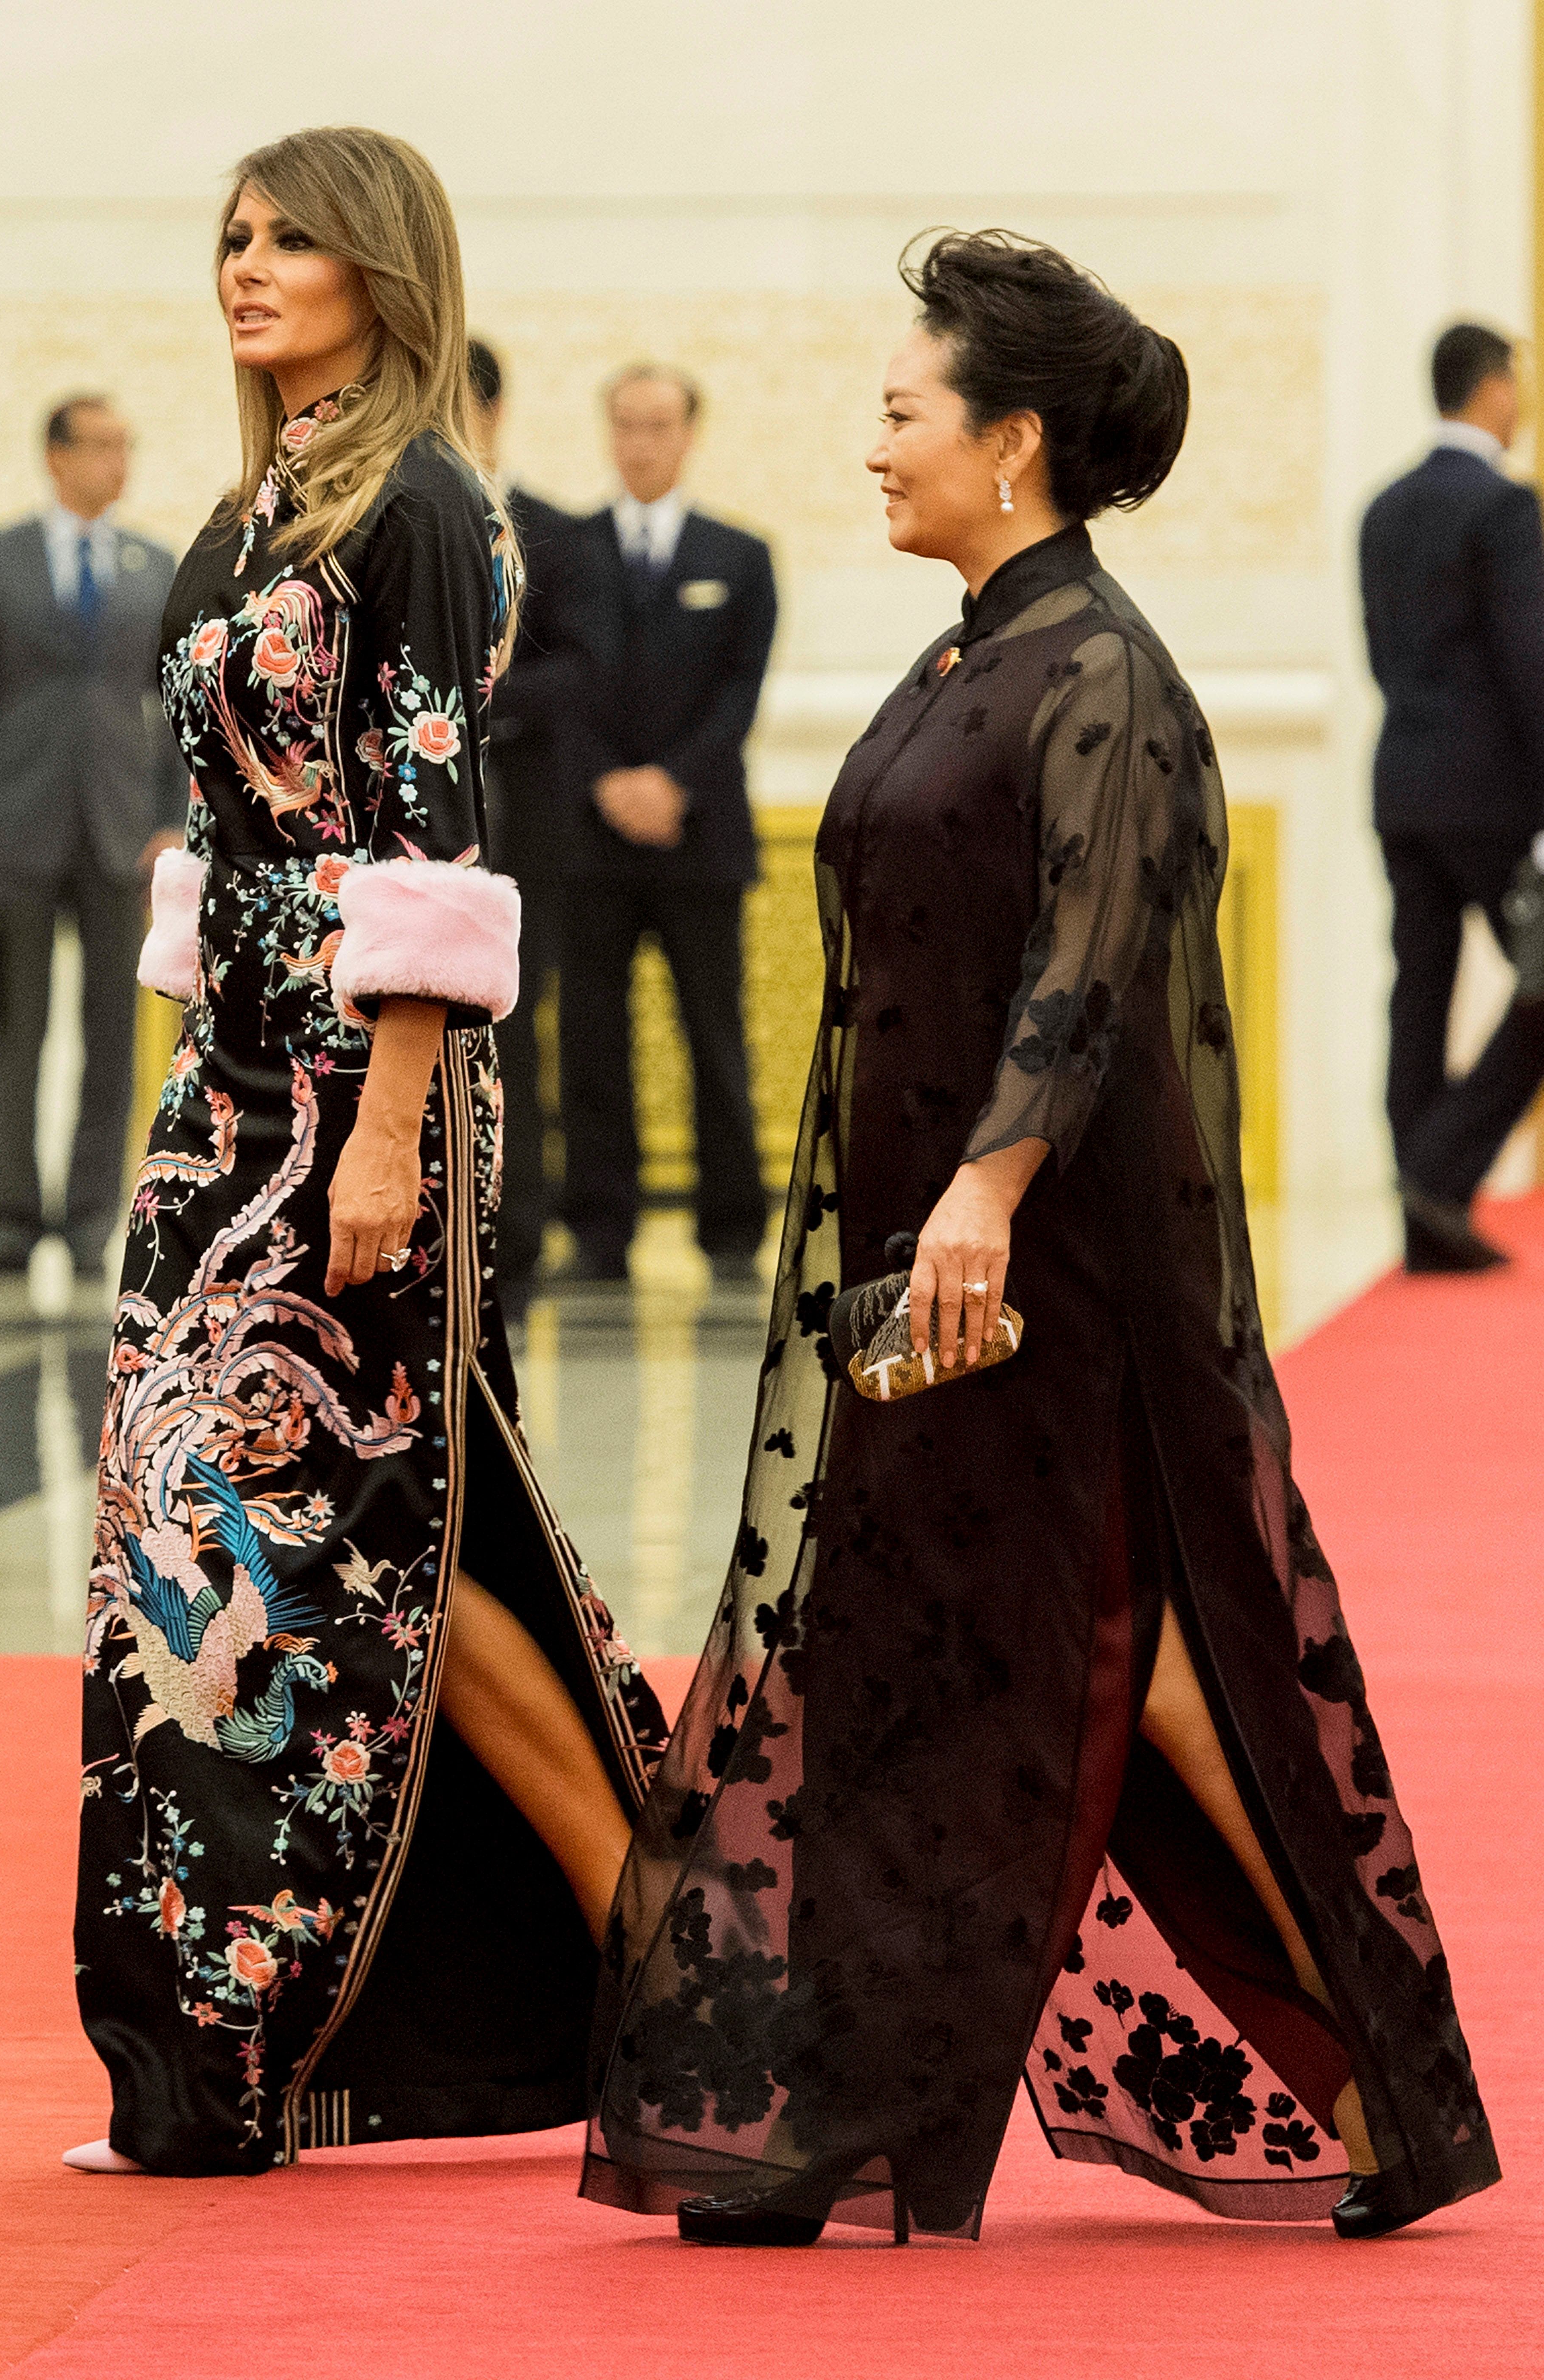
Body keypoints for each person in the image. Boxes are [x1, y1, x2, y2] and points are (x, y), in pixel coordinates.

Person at [582, 233, 1498, 2248]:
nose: (874, 445)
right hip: (935, 1271)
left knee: (1082, 1660)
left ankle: (889, 2108)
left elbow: (1084, 961)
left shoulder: (1102, 675)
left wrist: (986, 1189)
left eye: (903, 412)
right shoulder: (969, 651)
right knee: (972, 1660)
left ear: (1011, 440)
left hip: (1038, 1282)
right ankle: (915, 2096)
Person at [67, 125, 665, 2180]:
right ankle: (205, 2038)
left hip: (353, 1102)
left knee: (373, 1532)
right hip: (217, 1095)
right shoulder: (244, 516)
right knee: (215, 1545)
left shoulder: (420, 510)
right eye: (231, 235)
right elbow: (223, 828)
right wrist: (185, 1081)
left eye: (292, 236)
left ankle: (658, 1951)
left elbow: (423, 833)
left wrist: (391, 1123)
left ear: (383, 268)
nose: (246, 265)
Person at [0, 397, 187, 1281]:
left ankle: (93, 1221)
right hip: (16, 827)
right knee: (19, 1034)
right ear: (54, 456)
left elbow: (176, 710)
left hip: (119, 832)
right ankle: (11, 1222)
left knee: (110, 1037)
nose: (115, 463)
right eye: (98, 446)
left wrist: (171, 818)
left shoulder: (151, 565)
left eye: (125, 446)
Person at [559, 364, 777, 1284]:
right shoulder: (563, 551)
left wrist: (670, 784)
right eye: (625, 424)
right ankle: (600, 1228)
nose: (641, 441)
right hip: (588, 838)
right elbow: (552, 686)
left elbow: (739, 694)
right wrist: (608, 782)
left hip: (701, 838)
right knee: (591, 1043)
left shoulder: (740, 555)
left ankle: (730, 1229)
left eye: (658, 424)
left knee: (712, 1034)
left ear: (689, 433)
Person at [1361, 321, 1544, 1272]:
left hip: (1400, 785)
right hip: (1487, 796)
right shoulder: (1503, 509)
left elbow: (1382, 659)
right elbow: (1529, 665)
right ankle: (1435, 1172)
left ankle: (1419, 1219)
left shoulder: (1380, 510)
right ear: (1490, 388)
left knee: (1417, 996)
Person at [464, 336, 598, 1320]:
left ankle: (515, 1234)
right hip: (419, 835)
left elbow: (578, 670)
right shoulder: (390, 519)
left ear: (492, 412)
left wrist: (471, 703)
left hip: (528, 826)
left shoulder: (550, 530)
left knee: (518, 1034)